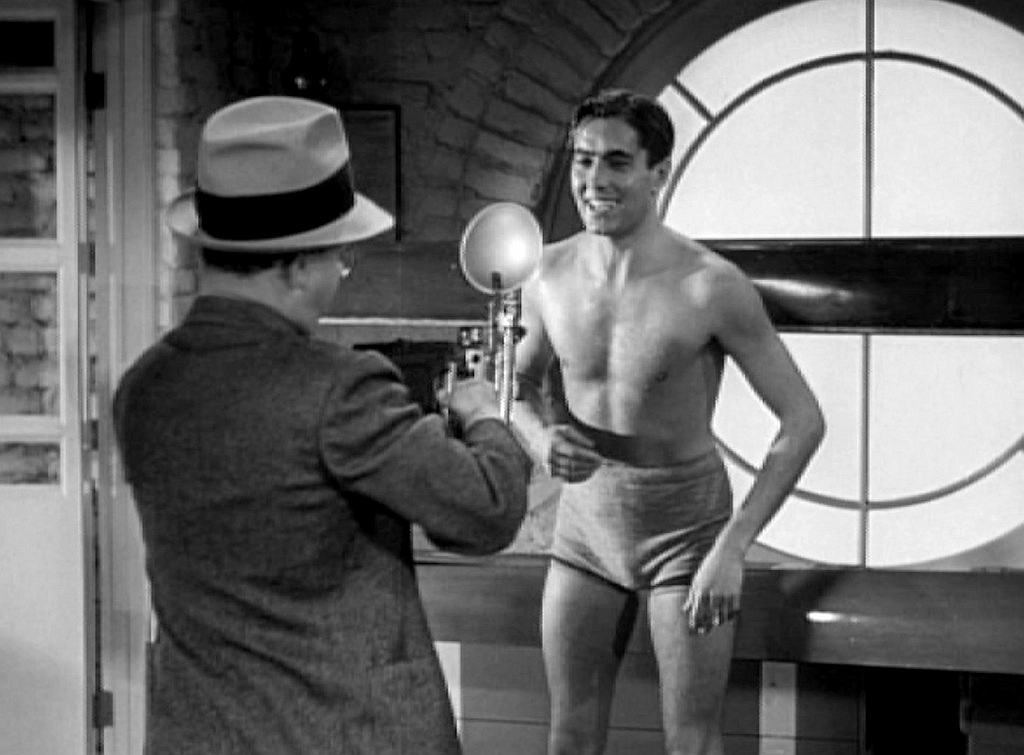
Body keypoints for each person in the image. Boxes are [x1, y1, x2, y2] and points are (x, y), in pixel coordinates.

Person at [113, 96, 533, 755]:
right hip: (341, 734)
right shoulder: (341, 389)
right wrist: (482, 416)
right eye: (340, 257)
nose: (341, 272)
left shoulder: (142, 388)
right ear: (298, 265)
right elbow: (485, 513)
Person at [513, 89, 826, 755]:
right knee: (569, 736)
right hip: (586, 526)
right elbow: (515, 390)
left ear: (659, 173)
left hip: (687, 531)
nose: (594, 181)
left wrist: (733, 547)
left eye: (617, 163)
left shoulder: (711, 284)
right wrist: (541, 439)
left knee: (692, 742)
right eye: (583, 161)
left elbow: (802, 421)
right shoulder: (546, 274)